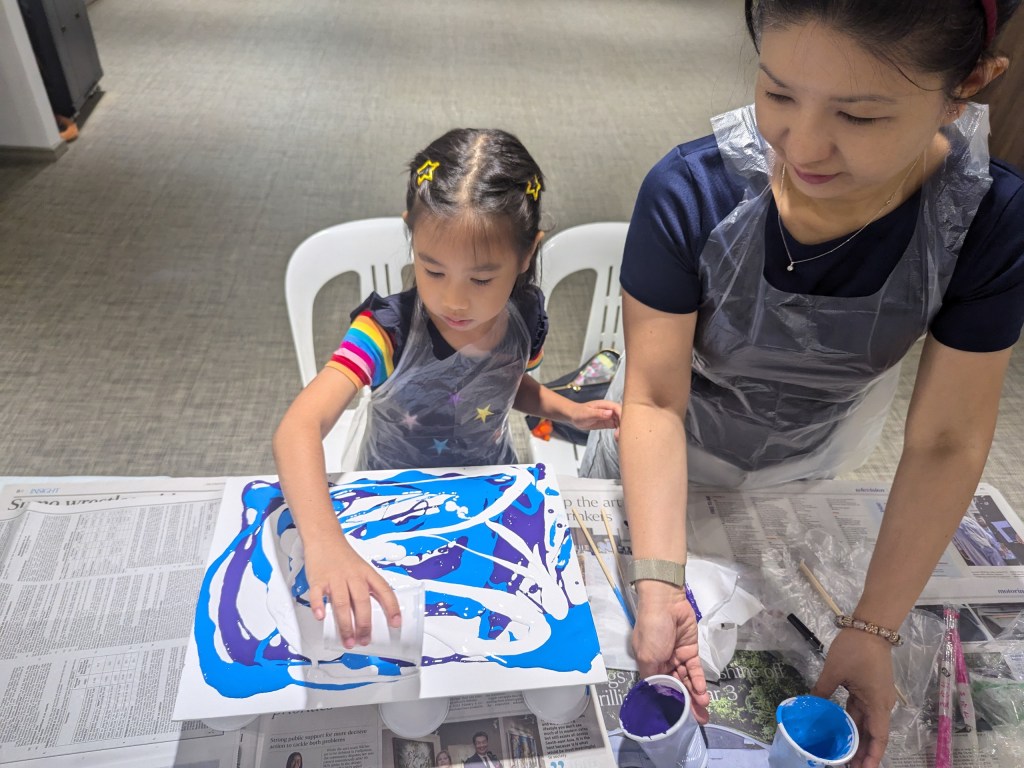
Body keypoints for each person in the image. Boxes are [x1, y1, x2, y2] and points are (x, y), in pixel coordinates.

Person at [581, 2, 1023, 766]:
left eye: (858, 114)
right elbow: (653, 399)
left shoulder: (984, 217)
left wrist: (874, 627)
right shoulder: (694, 191)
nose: (804, 145)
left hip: (808, 468)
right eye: (779, 93)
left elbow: (948, 439)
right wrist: (659, 582)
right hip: (662, 465)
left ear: (968, 87)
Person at [274, 128, 620, 651]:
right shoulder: (384, 330)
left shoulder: (526, 315)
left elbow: (506, 383)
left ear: (528, 254)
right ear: (411, 235)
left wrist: (563, 409)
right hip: (390, 496)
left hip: (488, 486)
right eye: (432, 270)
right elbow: (298, 428)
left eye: (481, 279)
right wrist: (323, 544)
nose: (455, 301)